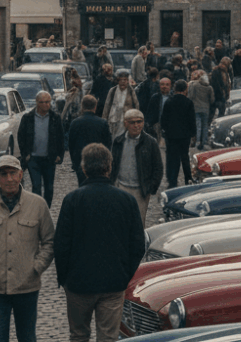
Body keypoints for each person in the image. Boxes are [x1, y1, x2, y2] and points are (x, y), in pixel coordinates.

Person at [55, 144, 144, 342]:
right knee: (108, 337)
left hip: (79, 283)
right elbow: (137, 244)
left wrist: (65, 278)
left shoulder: (72, 200)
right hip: (113, 283)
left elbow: (61, 243)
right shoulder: (127, 200)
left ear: (84, 168)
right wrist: (124, 274)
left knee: (79, 335)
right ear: (109, 167)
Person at [0, 155, 55, 342]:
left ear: (21, 175)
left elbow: (50, 241)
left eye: (13, 173)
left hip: (27, 287)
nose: (9, 179)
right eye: (3, 174)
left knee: (27, 337)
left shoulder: (38, 205)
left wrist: (37, 266)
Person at [109, 110, 163, 228]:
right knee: (121, 221)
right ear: (126, 124)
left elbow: (158, 167)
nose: (136, 125)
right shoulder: (118, 141)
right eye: (132, 122)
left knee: (138, 222)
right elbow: (112, 164)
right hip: (121, 187)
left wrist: (151, 187)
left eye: (139, 122)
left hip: (141, 190)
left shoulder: (150, 142)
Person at [18, 91, 65, 207]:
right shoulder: (28, 118)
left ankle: (46, 210)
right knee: (36, 186)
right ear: (37, 103)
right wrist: (26, 155)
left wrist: (59, 154)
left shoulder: (55, 118)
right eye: (42, 102)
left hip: (49, 158)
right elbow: (21, 136)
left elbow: (61, 137)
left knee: (49, 188)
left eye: (48, 102)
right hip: (33, 159)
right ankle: (37, 211)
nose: (45, 105)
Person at [67, 95, 111, 185]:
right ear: (95, 107)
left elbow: (71, 144)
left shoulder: (75, 123)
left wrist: (74, 163)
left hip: (81, 161)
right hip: (99, 161)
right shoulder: (102, 123)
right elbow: (108, 144)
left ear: (82, 106)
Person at [161, 80, 196, 188]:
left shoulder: (169, 101)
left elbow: (163, 120)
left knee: (172, 158)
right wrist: (193, 134)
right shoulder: (188, 102)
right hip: (184, 135)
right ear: (185, 89)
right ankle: (188, 178)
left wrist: (165, 131)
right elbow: (192, 120)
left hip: (171, 135)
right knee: (184, 157)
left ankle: (172, 180)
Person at [102, 70, 140, 140]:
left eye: (125, 80)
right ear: (118, 81)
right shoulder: (113, 91)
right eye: (121, 80)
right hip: (113, 120)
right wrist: (104, 120)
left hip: (126, 120)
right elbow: (107, 106)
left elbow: (136, 105)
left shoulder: (131, 91)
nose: (123, 82)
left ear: (127, 81)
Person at [188, 74, 215, 149]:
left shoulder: (195, 85)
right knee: (205, 125)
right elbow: (212, 100)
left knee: (198, 125)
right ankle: (204, 141)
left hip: (196, 108)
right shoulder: (209, 88)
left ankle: (197, 142)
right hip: (206, 109)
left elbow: (191, 96)